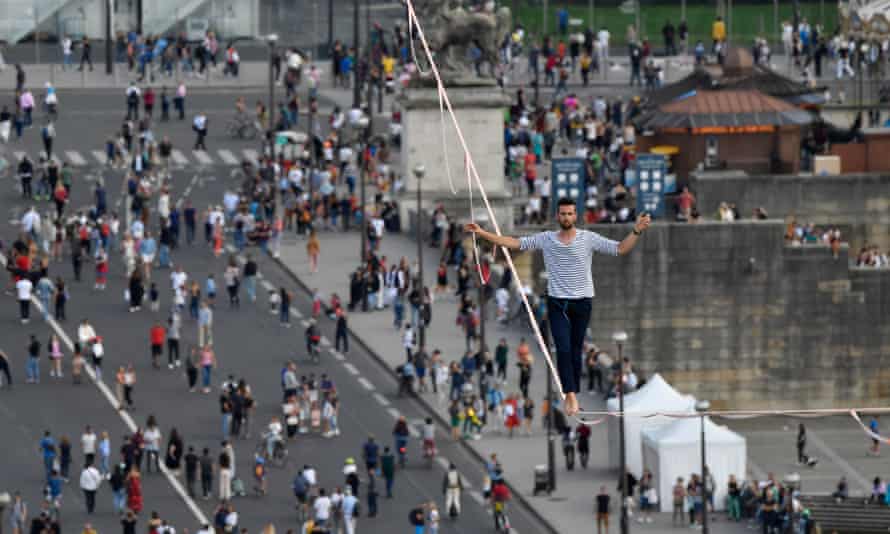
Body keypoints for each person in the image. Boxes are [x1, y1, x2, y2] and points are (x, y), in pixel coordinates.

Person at [465, 198, 650, 415]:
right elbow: (515, 243)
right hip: (557, 302)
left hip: (582, 302)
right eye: (563, 214)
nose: (566, 218)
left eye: (570, 214)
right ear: (557, 216)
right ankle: (570, 395)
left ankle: (574, 392)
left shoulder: (588, 238)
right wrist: (483, 233)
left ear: (576, 216)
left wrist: (636, 231)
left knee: (575, 349)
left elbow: (620, 249)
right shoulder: (547, 239)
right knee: (562, 348)